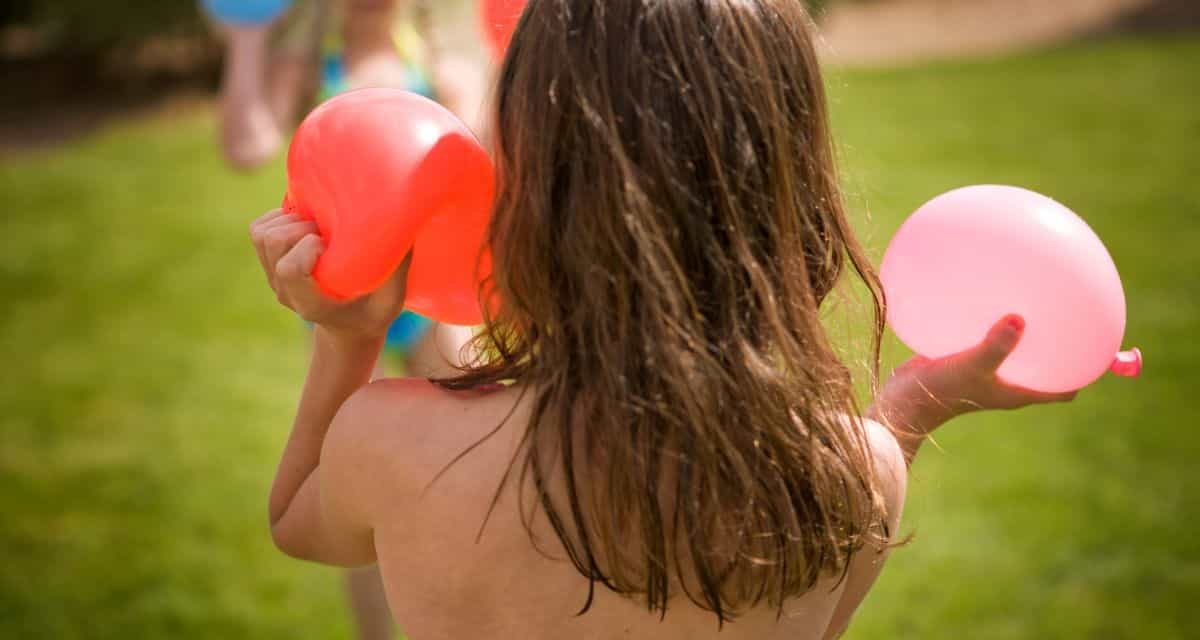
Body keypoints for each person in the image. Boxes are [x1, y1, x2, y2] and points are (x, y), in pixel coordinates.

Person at [247, 1, 1077, 638]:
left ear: (528, 183)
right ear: (789, 188)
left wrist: (350, 333)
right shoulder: (850, 482)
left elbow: (297, 521)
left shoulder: (400, 445)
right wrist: (911, 411)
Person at [208, 2, 482, 638]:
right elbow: (247, 147)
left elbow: (474, 165)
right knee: (343, 491)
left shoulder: (437, 59)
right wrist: (246, 40)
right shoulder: (305, 64)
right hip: (341, 302)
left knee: (464, 467)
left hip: (430, 300)